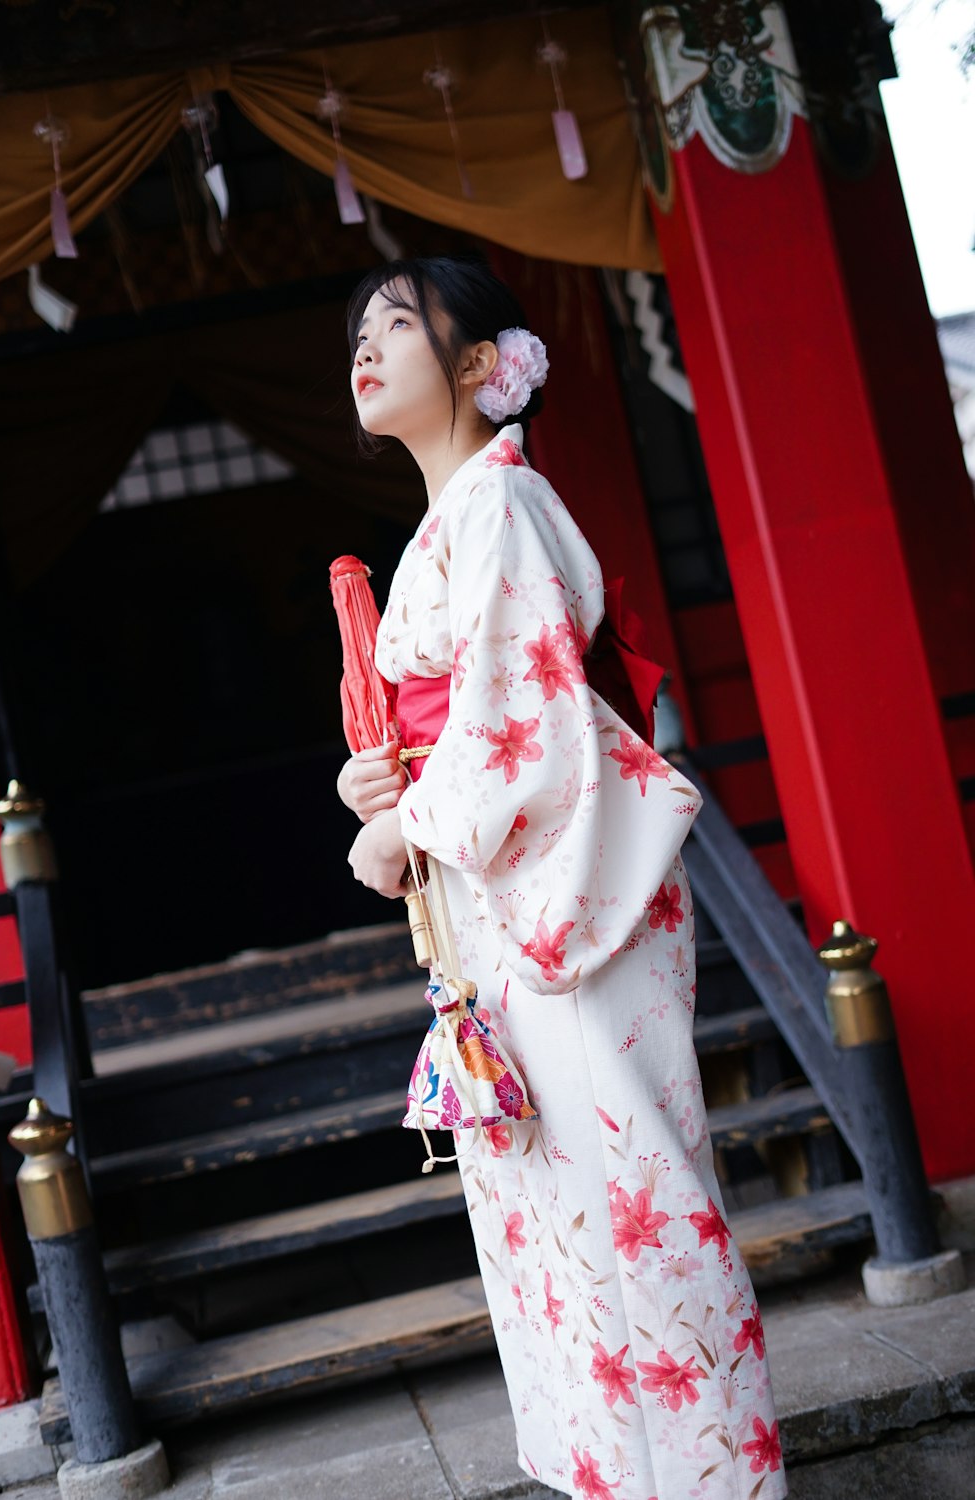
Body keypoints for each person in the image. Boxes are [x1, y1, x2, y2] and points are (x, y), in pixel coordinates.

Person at [337, 255, 787, 1500]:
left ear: (481, 367)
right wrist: (372, 790)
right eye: (356, 334)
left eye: (396, 326)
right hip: (504, 905)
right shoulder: (451, 522)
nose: (363, 349)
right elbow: (444, 729)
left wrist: (404, 826)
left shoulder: (503, 508)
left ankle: (704, 1482)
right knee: (553, 1216)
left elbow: (525, 721)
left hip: (566, 905)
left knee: (630, 1193)